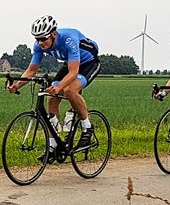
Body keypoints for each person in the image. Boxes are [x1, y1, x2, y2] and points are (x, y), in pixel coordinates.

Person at [6, 15, 102, 160]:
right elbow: (31, 70)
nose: (40, 42)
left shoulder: (68, 39)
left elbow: (73, 72)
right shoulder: (38, 46)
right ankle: (53, 146)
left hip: (89, 63)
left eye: (43, 38)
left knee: (69, 90)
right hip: (70, 63)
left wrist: (60, 87)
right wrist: (17, 85)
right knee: (51, 96)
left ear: (54, 34)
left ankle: (87, 128)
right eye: (37, 39)